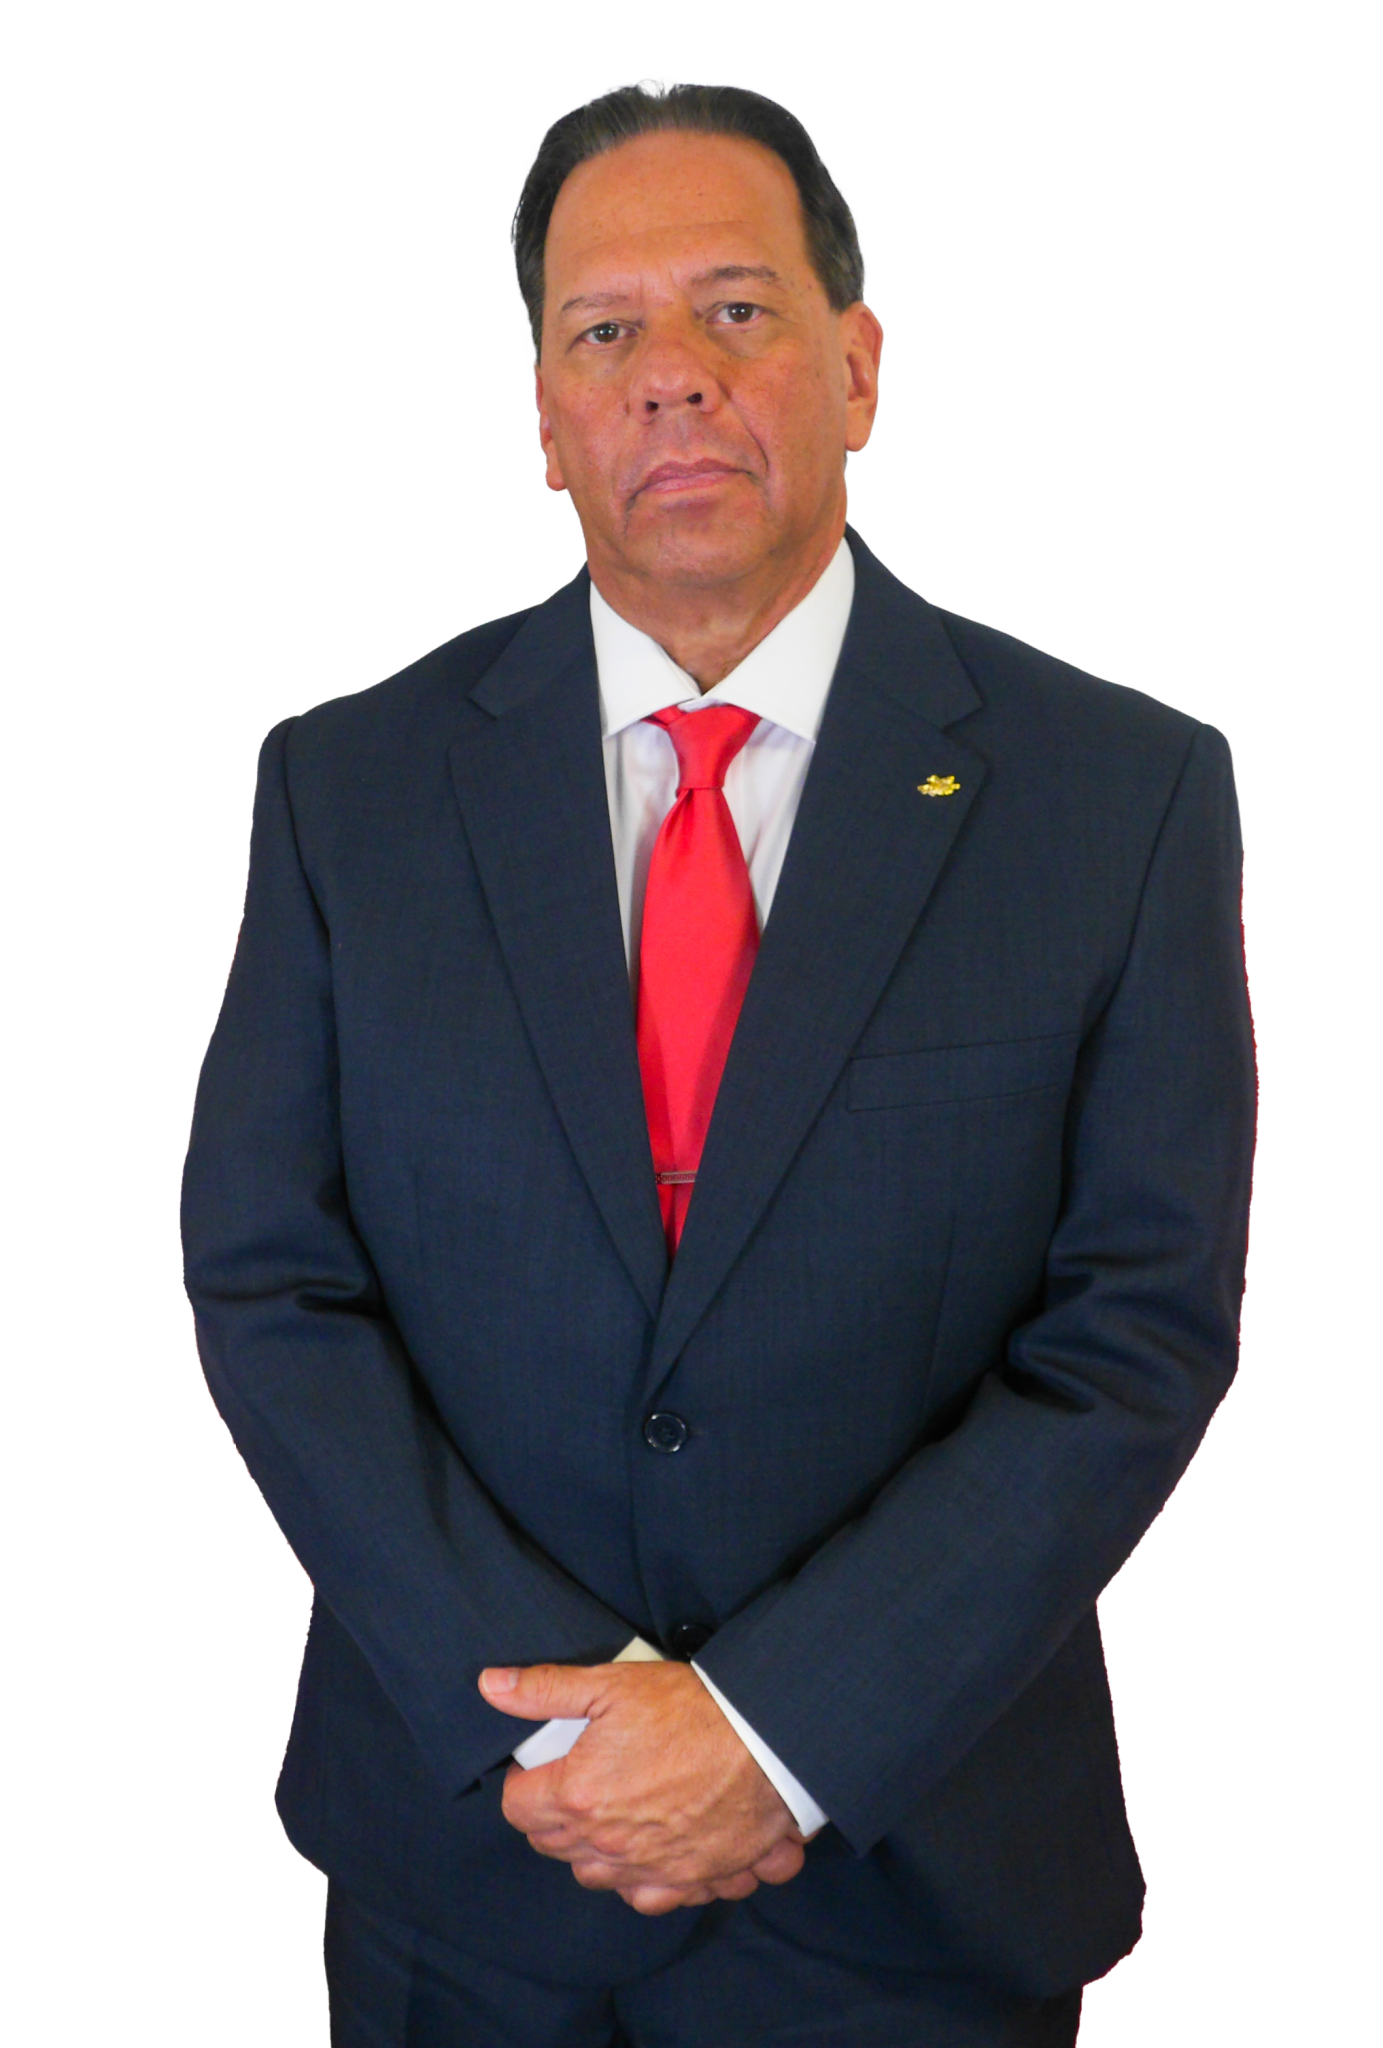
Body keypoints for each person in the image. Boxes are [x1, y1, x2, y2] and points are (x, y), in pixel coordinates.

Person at [180, 75, 1256, 2048]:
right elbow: (272, 1277)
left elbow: (1133, 1329)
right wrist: (566, 1727)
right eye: (605, 330)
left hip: (908, 1892)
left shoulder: (1122, 792)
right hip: (468, 1874)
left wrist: (776, 1730)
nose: (670, 373)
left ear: (856, 366)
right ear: (544, 421)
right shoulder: (346, 785)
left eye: (734, 310)